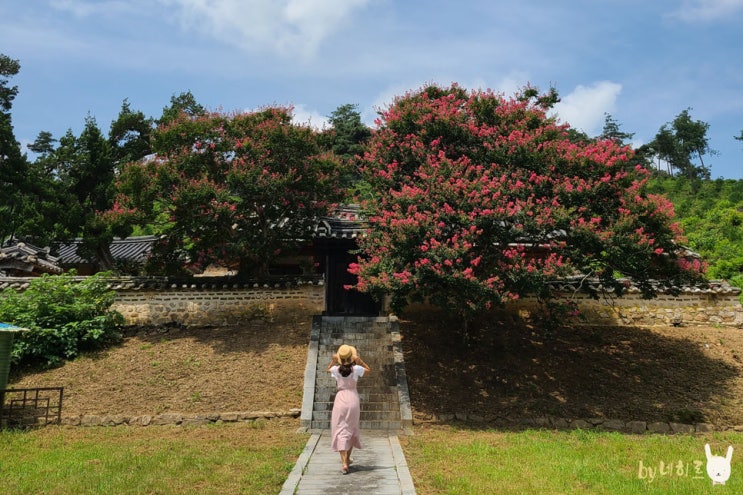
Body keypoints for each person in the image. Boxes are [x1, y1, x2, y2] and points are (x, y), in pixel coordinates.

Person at [327, 344, 371, 474]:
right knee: (351, 428)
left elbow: (328, 369)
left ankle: (344, 462)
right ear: (351, 357)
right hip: (352, 398)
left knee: (340, 428)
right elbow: (368, 369)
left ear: (340, 357)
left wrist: (333, 361)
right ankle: (347, 458)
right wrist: (360, 361)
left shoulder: (336, 369)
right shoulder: (356, 369)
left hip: (340, 399)